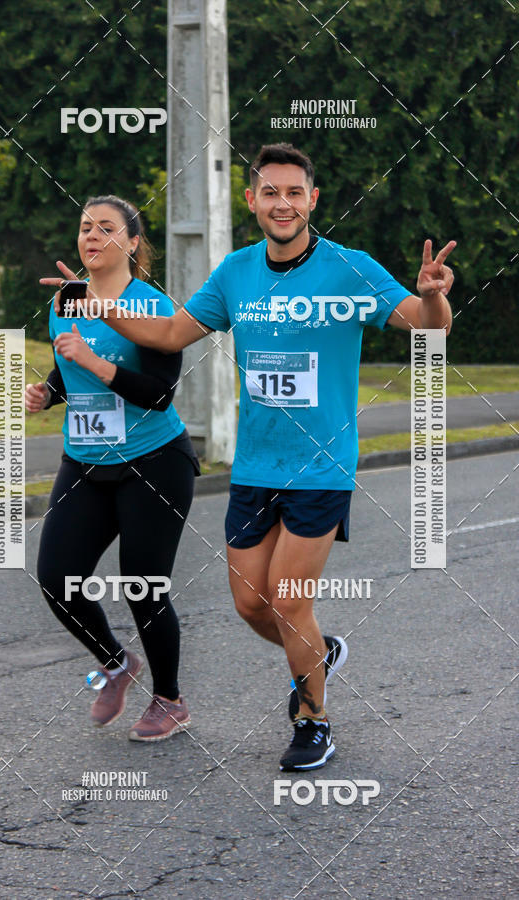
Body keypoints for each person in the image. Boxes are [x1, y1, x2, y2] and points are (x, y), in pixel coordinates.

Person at [47, 144, 455, 771]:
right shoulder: (235, 274)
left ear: (312, 200)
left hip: (320, 465)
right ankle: (315, 656)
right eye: (270, 193)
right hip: (254, 466)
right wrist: (107, 310)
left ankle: (313, 719)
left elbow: (429, 327)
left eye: (294, 193)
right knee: (251, 606)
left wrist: (431, 296)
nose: (282, 203)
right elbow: (170, 333)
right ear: (253, 202)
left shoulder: (350, 269)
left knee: (289, 601)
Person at [27, 195, 200, 742]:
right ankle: (116, 662)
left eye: (106, 228)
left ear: (131, 242)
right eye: (84, 227)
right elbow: (67, 360)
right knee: (58, 579)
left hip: (154, 462)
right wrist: (48, 391)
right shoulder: (66, 302)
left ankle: (170, 701)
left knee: (143, 585)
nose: (92, 236)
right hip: (85, 461)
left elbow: (159, 394)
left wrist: (93, 363)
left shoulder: (151, 307)